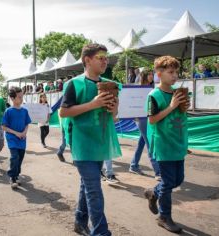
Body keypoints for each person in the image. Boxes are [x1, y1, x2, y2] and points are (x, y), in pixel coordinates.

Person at [60, 43, 122, 236]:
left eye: (106, 57)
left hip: (100, 142)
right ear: (87, 60)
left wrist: (113, 109)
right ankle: (101, 232)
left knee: (87, 185)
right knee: (94, 190)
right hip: (82, 144)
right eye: (100, 58)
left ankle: (80, 221)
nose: (105, 61)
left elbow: (113, 116)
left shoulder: (109, 84)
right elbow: (64, 112)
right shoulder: (74, 84)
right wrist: (94, 104)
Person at [144, 56, 189, 233]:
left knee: (177, 180)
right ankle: (164, 216)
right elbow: (152, 119)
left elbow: (181, 119)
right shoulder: (154, 95)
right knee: (169, 182)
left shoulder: (178, 92)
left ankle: (153, 193)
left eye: (176, 72)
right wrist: (171, 106)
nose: (174, 75)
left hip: (178, 142)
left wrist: (183, 106)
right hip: (163, 144)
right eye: (170, 72)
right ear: (159, 73)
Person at [129, 70, 161, 179]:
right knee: (150, 144)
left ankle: (133, 165)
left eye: (152, 74)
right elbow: (132, 103)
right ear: (144, 76)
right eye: (150, 75)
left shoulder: (152, 88)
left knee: (142, 142)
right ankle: (158, 172)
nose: (152, 76)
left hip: (149, 117)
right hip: (142, 119)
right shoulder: (138, 89)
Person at [2, 87, 31, 189]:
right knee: (15, 157)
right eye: (19, 97)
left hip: (22, 139)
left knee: (20, 157)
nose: (21, 99)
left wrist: (24, 132)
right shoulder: (8, 111)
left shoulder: (25, 111)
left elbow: (27, 124)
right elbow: (4, 127)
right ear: (12, 98)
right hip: (12, 138)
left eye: (22, 97)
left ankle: (16, 174)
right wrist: (16, 133)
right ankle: (12, 177)